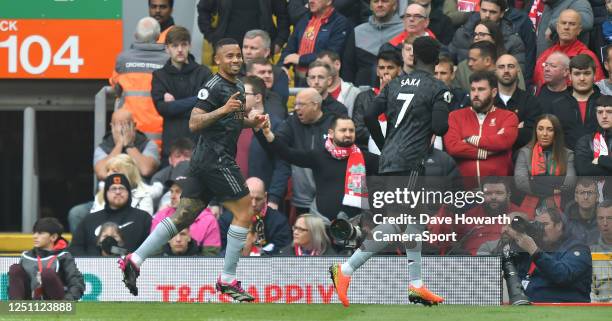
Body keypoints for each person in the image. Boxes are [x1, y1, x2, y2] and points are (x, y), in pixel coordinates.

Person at [118, 38, 267, 301]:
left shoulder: (239, 86)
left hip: (205, 161)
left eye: (238, 56)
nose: (235, 60)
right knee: (245, 211)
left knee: (183, 216)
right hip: (216, 159)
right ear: (217, 60)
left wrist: (249, 121)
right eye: (229, 56)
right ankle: (228, 279)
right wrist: (223, 109)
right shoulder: (212, 86)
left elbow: (230, 120)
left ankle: (135, 259)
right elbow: (194, 123)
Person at [330, 36, 450, 307]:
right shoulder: (438, 87)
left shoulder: (394, 83)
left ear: (413, 57)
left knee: (416, 220)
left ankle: (416, 284)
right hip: (409, 161)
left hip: (394, 159)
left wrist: (386, 147)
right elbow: (441, 127)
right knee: (398, 222)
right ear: (437, 60)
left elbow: (370, 115)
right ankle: (345, 269)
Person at [259, 115, 378, 221]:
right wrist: (267, 133)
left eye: (351, 130)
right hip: (321, 224)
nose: (348, 134)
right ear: (331, 133)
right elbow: (287, 153)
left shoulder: (365, 158)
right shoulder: (319, 156)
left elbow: (390, 169)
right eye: (343, 130)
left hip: (355, 225)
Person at [151, 26, 212, 164]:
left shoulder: (203, 72)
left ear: (189, 46)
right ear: (167, 48)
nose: (179, 49)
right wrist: (198, 98)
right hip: (171, 148)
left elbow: (207, 106)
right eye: (174, 45)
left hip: (198, 145)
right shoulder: (159, 76)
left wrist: (174, 105)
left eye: (183, 45)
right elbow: (163, 109)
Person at [506, 207, 592, 303]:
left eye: (545, 224)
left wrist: (534, 251)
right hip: (531, 308)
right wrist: (514, 242)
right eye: (537, 225)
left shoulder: (578, 248)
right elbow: (518, 274)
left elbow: (563, 275)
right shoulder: (535, 246)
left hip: (565, 309)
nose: (540, 229)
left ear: (559, 225)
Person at [444, 71, 519, 180]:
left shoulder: (508, 117)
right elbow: (453, 147)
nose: (475, 94)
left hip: (498, 190)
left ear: (493, 92)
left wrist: (470, 139)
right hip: (463, 190)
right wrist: (485, 152)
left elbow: (503, 141)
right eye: (473, 89)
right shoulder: (455, 116)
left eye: (481, 89)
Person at [273, 88, 338, 214]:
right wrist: (262, 132)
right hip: (302, 198)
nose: (296, 108)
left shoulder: (334, 123)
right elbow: (277, 144)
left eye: (301, 104)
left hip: (328, 196)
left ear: (315, 105)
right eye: (295, 104)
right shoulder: (292, 122)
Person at [109, 17, 168, 150]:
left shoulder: (123, 59)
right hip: (161, 137)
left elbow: (115, 86)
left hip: (129, 135)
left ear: (136, 35)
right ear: (159, 36)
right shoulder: (168, 61)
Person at [234, 76, 290, 210]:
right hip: (233, 200)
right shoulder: (230, 124)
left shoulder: (276, 125)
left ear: (258, 98)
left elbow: (282, 165)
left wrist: (274, 198)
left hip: (262, 202)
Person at [430, 179, 522, 255]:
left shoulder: (521, 214)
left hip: (507, 264)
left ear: (508, 194)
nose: (493, 197)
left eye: (499, 193)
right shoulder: (469, 215)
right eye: (488, 193)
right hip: (470, 266)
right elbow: (441, 241)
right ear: (482, 195)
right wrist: (445, 212)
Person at [69, 173, 152, 256]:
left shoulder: (143, 218)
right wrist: (88, 265)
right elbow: (75, 248)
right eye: (113, 189)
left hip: (131, 267)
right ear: (106, 193)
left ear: (128, 192)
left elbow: (152, 248)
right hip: (92, 267)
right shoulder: (90, 219)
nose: (118, 192)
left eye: (122, 188)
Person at [151, 161, 222, 256]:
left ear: (191, 193)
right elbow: (154, 253)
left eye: (178, 191)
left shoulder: (208, 220)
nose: (172, 196)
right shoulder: (161, 216)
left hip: (197, 269)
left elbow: (211, 258)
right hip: (164, 269)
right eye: (171, 191)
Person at [8, 218, 84, 300]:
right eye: (34, 233)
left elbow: (76, 283)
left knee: (47, 273)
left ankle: (58, 308)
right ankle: (16, 307)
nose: (35, 236)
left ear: (54, 237)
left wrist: (67, 301)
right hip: (30, 304)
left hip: (56, 304)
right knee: (15, 269)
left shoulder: (64, 257)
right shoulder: (26, 256)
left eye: (40, 233)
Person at [514, 114, 576, 213]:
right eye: (540, 129)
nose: (544, 134)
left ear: (556, 132)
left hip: (560, 205)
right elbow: (521, 183)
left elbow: (569, 183)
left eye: (550, 130)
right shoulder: (524, 152)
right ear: (536, 131)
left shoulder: (568, 154)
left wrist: (534, 181)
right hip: (531, 204)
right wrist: (552, 190)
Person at [280, 0, 351, 86]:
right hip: (300, 81)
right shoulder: (304, 19)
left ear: (329, 1)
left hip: (325, 83)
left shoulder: (340, 23)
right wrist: (282, 66)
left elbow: (332, 54)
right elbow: (290, 47)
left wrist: (301, 59)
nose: (311, 1)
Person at [533, 9, 604, 91]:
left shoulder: (588, 57)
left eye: (572, 24)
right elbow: (537, 86)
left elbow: (598, 90)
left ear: (579, 30)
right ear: (557, 27)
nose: (566, 27)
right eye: (563, 23)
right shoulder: (545, 55)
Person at [219, 177, 292, 256]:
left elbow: (284, 255)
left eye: (258, 199)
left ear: (265, 197)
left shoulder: (279, 222)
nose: (253, 204)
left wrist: (260, 254)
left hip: (267, 266)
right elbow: (218, 255)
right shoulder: (225, 220)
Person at [341, 0, 404, 86]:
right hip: (362, 93)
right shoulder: (358, 32)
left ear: (395, 5)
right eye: (375, 1)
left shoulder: (405, 31)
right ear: (370, 6)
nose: (380, 5)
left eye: (385, 1)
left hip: (399, 90)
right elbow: (348, 70)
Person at [546, 54, 602, 149]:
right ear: (570, 77)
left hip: (601, 161)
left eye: (587, 73)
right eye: (577, 74)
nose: (582, 78)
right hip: (566, 161)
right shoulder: (556, 105)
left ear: (595, 76)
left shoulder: (607, 103)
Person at [197, 0, 290, 54]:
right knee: (228, 86)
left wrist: (279, 42)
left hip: (260, 49)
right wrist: (212, 37)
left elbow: (283, 14)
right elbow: (203, 9)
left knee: (258, 86)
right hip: (227, 47)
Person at [353, 50, 403, 149]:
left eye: (390, 68)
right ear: (377, 71)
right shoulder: (363, 97)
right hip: (369, 149)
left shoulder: (405, 95)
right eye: (381, 68)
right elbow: (358, 129)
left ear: (399, 70)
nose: (385, 72)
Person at [93, 109, 160, 181]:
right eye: (118, 126)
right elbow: (102, 174)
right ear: (112, 127)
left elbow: (146, 170)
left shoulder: (148, 144)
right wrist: (119, 145)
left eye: (126, 125)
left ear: (134, 125)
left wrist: (129, 145)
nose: (122, 129)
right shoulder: (103, 147)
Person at [494, 54, 543, 151]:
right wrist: (515, 129)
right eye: (501, 67)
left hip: (521, 158)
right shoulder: (487, 101)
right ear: (495, 71)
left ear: (518, 70)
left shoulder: (531, 101)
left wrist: (498, 132)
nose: (506, 70)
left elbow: (531, 135)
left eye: (511, 66)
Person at [242, 29, 290, 105]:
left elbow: (279, 103)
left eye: (253, 48)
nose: (247, 52)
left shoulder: (278, 74)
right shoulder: (235, 73)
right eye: (245, 47)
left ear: (266, 52)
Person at [316, 51, 361, 117]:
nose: (321, 70)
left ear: (337, 65)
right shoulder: (312, 93)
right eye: (318, 66)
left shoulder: (354, 93)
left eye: (325, 66)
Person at [564, 178, 600, 244]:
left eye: (590, 193)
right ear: (576, 197)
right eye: (582, 193)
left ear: (597, 197)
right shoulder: (564, 222)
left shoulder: (607, 220)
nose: (586, 197)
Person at [590, 200, 612, 302]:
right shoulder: (590, 249)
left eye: (610, 218)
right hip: (597, 303)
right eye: (601, 218)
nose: (605, 223)